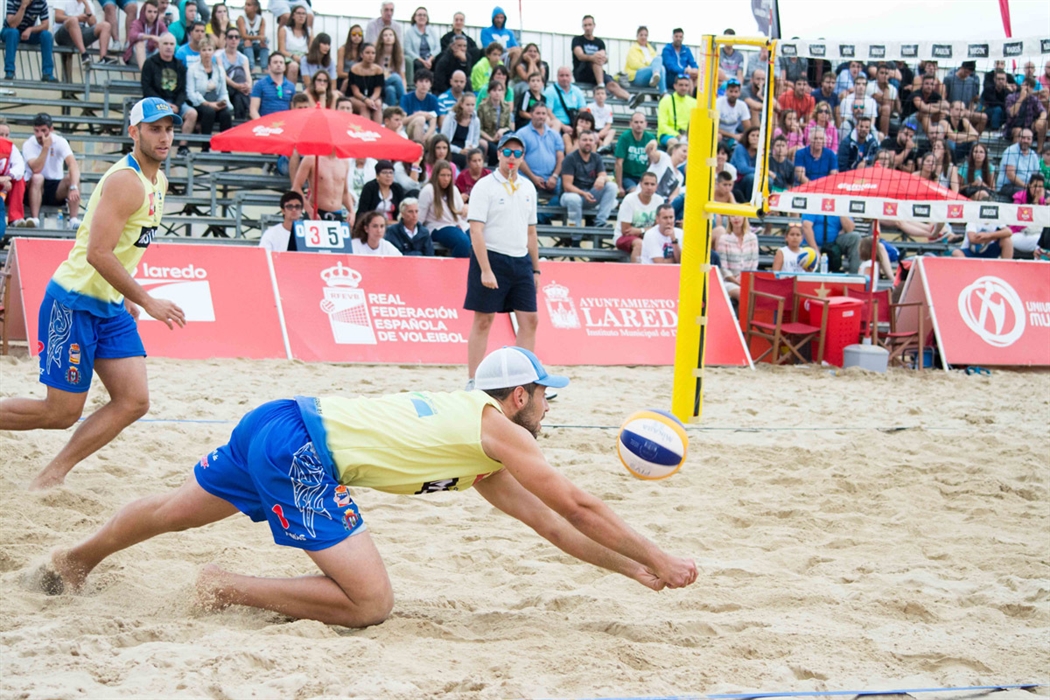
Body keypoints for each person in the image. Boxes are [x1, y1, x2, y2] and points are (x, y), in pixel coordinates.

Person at [44, 344, 698, 626]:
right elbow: (579, 503)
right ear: (518, 395)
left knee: (172, 511)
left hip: (279, 420)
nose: (550, 409)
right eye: (546, 397)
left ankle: (74, 560)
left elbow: (555, 527)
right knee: (368, 603)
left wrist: (634, 570)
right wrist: (661, 556)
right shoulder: (499, 429)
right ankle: (225, 585)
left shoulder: (485, 458)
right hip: (301, 447)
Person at [0, 99, 184, 490]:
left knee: (134, 401)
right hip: (74, 301)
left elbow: (124, 249)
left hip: (110, 304)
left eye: (169, 128)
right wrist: (148, 300)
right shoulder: (125, 181)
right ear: (134, 133)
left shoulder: (159, 182)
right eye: (155, 128)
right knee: (61, 412)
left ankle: (52, 475)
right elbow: (96, 253)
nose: (164, 136)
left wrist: (128, 296)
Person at [464, 135, 542, 386]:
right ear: (498, 154)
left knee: (530, 320)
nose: (512, 157)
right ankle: (473, 380)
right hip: (491, 256)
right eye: (508, 152)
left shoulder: (528, 187)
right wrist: (486, 270)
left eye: (518, 153)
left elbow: (532, 232)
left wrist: (536, 269)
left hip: (520, 260)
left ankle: (523, 380)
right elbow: (476, 230)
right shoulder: (485, 186)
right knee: (484, 320)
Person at [141, 34, 198, 158]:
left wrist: (177, 105)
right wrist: (163, 104)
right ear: (159, 45)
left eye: (171, 44)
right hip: (155, 102)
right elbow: (147, 88)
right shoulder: (150, 63)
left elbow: (183, 90)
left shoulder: (179, 66)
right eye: (165, 44)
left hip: (175, 102)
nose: (169, 47)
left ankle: (182, 147)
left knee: (192, 114)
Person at [20, 114, 81, 229]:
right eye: (36, 131)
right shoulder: (29, 144)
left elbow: (72, 164)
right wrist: (46, 148)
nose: (40, 135)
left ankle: (73, 219)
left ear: (51, 129)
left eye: (43, 131)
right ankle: (35, 219)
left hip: (55, 186)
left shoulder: (60, 142)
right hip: (34, 186)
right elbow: (36, 168)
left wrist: (74, 187)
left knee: (72, 177)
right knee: (38, 177)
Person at [560, 129, 617, 229]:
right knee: (574, 199)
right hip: (570, 196)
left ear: (595, 143)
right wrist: (583, 193)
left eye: (590, 140)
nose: (588, 143)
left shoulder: (596, 158)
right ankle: (575, 236)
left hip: (590, 195)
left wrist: (601, 178)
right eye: (584, 140)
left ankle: (600, 222)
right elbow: (567, 186)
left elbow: (603, 175)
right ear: (578, 142)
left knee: (611, 186)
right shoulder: (570, 158)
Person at [418, 159, 470, 257]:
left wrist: (466, 209)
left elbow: (461, 215)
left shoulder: (454, 190)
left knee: (477, 238)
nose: (446, 179)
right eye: (442, 175)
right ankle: (455, 270)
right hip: (437, 226)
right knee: (462, 242)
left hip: (457, 224)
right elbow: (420, 218)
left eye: (448, 175)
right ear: (436, 175)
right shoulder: (428, 190)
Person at [570, 15, 629, 100]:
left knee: (612, 84)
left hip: (598, 73)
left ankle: (630, 98)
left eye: (589, 25)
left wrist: (603, 59)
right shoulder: (577, 40)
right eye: (585, 25)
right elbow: (580, 56)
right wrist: (594, 58)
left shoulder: (599, 42)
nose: (587, 28)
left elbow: (604, 57)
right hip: (582, 72)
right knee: (596, 59)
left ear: (594, 25)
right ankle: (602, 88)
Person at [293, 149, 356, 224]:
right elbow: (296, 188)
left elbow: (345, 192)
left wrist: (352, 211)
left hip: (337, 214)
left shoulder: (345, 162)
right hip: (317, 213)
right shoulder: (311, 159)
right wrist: (310, 211)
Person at [515, 103, 563, 200]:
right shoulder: (521, 133)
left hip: (551, 178)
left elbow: (561, 157)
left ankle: (544, 215)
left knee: (563, 190)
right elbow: (519, 158)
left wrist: (554, 176)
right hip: (527, 177)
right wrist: (533, 177)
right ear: (531, 114)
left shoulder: (554, 134)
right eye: (538, 113)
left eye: (543, 113)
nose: (541, 116)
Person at [186, 41, 232, 142]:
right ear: (200, 52)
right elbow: (191, 93)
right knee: (209, 112)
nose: (207, 53)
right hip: (199, 103)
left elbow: (223, 92)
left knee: (226, 114)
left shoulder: (219, 70)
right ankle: (205, 146)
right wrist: (208, 104)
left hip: (216, 102)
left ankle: (226, 148)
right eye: (204, 50)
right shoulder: (192, 69)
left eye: (209, 50)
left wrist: (223, 102)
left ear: (213, 52)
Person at [615, 171, 664, 264]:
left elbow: (658, 228)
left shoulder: (659, 200)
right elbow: (626, 231)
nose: (649, 187)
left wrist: (639, 231)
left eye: (652, 184)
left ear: (656, 186)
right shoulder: (629, 200)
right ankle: (636, 275)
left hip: (647, 236)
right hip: (622, 238)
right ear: (640, 184)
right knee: (640, 244)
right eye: (646, 184)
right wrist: (648, 230)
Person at [3, 0, 56, 81]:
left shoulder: (41, 2)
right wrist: (23, 6)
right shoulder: (12, 1)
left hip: (28, 34)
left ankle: (47, 73)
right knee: (13, 32)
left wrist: (30, 29)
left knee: (47, 35)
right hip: (9, 32)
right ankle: (9, 71)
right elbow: (13, 24)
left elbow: (45, 25)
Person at [55, 0, 114, 69]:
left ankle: (103, 58)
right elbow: (57, 17)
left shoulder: (88, 2)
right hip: (63, 34)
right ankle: (84, 54)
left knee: (106, 25)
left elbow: (92, 23)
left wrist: (86, 4)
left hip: (80, 32)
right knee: (73, 20)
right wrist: (77, 18)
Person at [714, 215, 757, 300]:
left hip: (748, 279)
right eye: (732, 216)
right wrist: (737, 281)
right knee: (742, 293)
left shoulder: (752, 238)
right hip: (729, 281)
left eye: (739, 215)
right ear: (729, 219)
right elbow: (723, 268)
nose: (736, 218)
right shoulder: (724, 239)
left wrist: (744, 279)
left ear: (744, 217)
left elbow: (754, 264)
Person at [615, 111, 656, 196]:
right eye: (636, 122)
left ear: (646, 124)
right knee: (635, 193)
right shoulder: (624, 137)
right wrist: (619, 186)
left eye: (641, 122)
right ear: (631, 124)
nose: (639, 125)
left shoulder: (650, 138)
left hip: (643, 176)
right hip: (627, 176)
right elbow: (619, 163)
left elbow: (652, 162)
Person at [440, 92, 481, 170]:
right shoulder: (451, 118)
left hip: (467, 147)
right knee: (464, 159)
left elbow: (476, 140)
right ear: (462, 104)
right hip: (452, 148)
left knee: (478, 153)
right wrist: (459, 151)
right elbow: (444, 140)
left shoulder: (475, 120)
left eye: (472, 105)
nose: (470, 108)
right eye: (467, 105)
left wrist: (471, 148)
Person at [543, 66, 587, 139]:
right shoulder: (550, 91)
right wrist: (563, 127)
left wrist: (579, 127)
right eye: (562, 75)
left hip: (574, 125)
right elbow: (548, 112)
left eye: (567, 75)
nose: (564, 78)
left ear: (571, 76)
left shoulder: (577, 91)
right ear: (557, 77)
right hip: (557, 125)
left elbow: (583, 111)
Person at [1005, 78, 1048, 152]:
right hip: (1012, 128)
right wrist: (1021, 98)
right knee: (1019, 131)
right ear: (1022, 85)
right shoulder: (1011, 97)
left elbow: (1043, 111)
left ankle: (1039, 151)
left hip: (1029, 127)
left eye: (1031, 86)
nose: (1028, 88)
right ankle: (1016, 153)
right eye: (1026, 85)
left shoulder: (1033, 99)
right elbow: (1012, 113)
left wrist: (1041, 119)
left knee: (1044, 123)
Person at [997, 127, 1041, 198]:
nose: (1025, 140)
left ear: (1032, 140)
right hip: (1008, 186)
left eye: (1028, 139)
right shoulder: (1010, 151)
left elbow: (1037, 175)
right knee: (1027, 194)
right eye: (1023, 138)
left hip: (1029, 187)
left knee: (1046, 195)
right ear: (1018, 138)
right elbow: (1011, 175)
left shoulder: (1033, 155)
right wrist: (1027, 187)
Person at [647, 140, 687, 219]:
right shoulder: (663, 157)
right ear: (675, 150)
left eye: (688, 153)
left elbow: (673, 197)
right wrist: (653, 142)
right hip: (649, 196)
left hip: (662, 204)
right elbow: (650, 151)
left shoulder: (680, 176)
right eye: (684, 151)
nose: (686, 154)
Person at [399, 68, 440, 143]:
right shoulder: (406, 98)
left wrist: (425, 137)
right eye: (421, 81)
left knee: (435, 139)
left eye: (427, 81)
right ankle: (419, 148)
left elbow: (433, 123)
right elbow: (403, 121)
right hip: (410, 128)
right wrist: (418, 114)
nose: (424, 84)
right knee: (420, 119)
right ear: (415, 83)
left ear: (430, 84)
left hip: (427, 131)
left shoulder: (433, 99)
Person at [218, 27, 251, 119]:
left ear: (239, 40)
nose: (233, 39)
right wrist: (238, 86)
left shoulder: (243, 58)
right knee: (239, 74)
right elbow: (223, 76)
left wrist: (248, 86)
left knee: (239, 96)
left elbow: (248, 75)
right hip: (225, 87)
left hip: (238, 90)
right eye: (230, 37)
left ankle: (239, 120)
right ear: (226, 39)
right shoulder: (219, 56)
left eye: (236, 37)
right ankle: (241, 121)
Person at [1008, 173, 1046, 255]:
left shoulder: (1042, 200)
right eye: (1035, 186)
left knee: (1043, 239)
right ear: (1029, 185)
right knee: (1040, 241)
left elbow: (1041, 221)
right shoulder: (1019, 198)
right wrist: (1035, 201)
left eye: (1040, 186)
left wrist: (1039, 202)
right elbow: (1020, 223)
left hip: (1035, 233)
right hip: (1018, 233)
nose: (1038, 189)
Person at [250, 52, 294, 120]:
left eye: (281, 62)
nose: (278, 64)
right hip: (266, 124)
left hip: (285, 123)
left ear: (285, 67)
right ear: (269, 66)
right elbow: (253, 110)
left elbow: (293, 110)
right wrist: (261, 124)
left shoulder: (291, 86)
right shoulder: (259, 84)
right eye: (275, 62)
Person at [347, 43, 385, 122]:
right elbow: (355, 92)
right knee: (363, 106)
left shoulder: (378, 70)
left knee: (377, 104)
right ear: (361, 54)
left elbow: (377, 91)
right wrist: (365, 100)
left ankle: (378, 130)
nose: (370, 56)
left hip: (373, 96)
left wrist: (371, 99)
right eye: (367, 53)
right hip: (356, 97)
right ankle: (367, 130)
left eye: (373, 53)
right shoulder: (355, 69)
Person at [477, 80, 512, 164]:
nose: (497, 93)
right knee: (495, 151)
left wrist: (502, 130)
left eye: (500, 90)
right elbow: (479, 129)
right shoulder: (482, 107)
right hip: (487, 137)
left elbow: (508, 126)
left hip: (501, 136)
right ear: (489, 92)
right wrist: (491, 139)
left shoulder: (506, 106)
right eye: (494, 90)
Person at [657, 75, 696, 149]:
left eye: (686, 85)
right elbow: (662, 125)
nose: (684, 88)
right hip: (668, 134)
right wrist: (677, 135)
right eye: (681, 85)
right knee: (674, 142)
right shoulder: (666, 101)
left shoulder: (694, 102)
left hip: (687, 135)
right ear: (675, 86)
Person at [125, 0, 165, 68]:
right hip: (135, 56)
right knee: (140, 43)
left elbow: (167, 35)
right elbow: (132, 36)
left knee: (166, 44)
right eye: (149, 11)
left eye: (155, 12)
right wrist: (151, 37)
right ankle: (144, 73)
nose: (152, 15)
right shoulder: (137, 23)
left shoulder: (160, 24)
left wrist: (160, 42)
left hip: (151, 54)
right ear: (144, 12)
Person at [625, 25, 664, 93]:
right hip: (636, 77)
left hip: (649, 77)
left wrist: (652, 66)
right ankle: (663, 92)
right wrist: (651, 67)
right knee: (658, 68)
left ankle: (662, 91)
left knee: (660, 62)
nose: (643, 37)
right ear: (637, 36)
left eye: (645, 35)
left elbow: (656, 62)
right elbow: (634, 65)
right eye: (641, 35)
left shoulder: (651, 50)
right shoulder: (633, 49)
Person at [277, 4, 310, 84]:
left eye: (303, 14)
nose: (301, 16)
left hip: (304, 58)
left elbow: (311, 50)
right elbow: (281, 50)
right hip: (289, 57)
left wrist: (304, 58)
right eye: (298, 13)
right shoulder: (284, 30)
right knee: (294, 66)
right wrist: (293, 56)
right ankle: (290, 93)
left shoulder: (309, 31)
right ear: (293, 16)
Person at [404, 6, 439, 78]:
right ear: (415, 17)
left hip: (430, 58)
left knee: (440, 62)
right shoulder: (409, 32)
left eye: (424, 15)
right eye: (419, 15)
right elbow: (407, 49)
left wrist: (429, 59)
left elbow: (438, 48)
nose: (422, 17)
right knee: (418, 64)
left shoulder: (432, 31)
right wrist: (423, 61)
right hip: (417, 59)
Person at [868, 63, 900, 139]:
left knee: (900, 131)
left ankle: (885, 137)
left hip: (885, 118)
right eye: (882, 73)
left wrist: (896, 97)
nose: (884, 75)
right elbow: (885, 102)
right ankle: (884, 137)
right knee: (886, 108)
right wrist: (886, 88)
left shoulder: (892, 88)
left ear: (889, 76)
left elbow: (894, 108)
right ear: (876, 75)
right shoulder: (870, 86)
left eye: (886, 73)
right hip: (870, 116)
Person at [376, 26, 406, 107]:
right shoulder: (376, 55)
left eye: (391, 35)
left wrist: (405, 91)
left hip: (392, 85)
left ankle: (390, 113)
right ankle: (405, 104)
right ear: (381, 39)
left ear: (395, 38)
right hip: (378, 84)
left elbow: (402, 77)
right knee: (396, 77)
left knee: (391, 89)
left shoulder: (399, 56)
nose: (388, 37)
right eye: (385, 35)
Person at [716, 78, 751, 145]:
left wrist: (743, 136)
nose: (733, 94)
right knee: (718, 137)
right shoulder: (719, 102)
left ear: (739, 93)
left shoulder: (742, 105)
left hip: (733, 136)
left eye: (736, 92)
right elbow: (715, 128)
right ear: (726, 91)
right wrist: (733, 136)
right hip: (719, 134)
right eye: (731, 91)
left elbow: (748, 128)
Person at [235, 0, 267, 70]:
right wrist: (258, 37)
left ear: (255, 8)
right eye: (245, 5)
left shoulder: (261, 19)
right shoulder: (241, 18)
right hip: (241, 45)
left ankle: (265, 68)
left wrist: (261, 39)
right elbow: (244, 36)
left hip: (255, 45)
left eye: (248, 5)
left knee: (263, 44)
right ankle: (252, 68)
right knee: (247, 42)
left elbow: (262, 36)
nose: (245, 7)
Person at [730, 126, 760, 202]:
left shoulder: (762, 150)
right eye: (753, 135)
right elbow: (743, 169)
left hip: (753, 177)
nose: (755, 138)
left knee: (768, 180)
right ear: (747, 137)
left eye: (758, 136)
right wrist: (760, 170)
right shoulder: (740, 148)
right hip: (737, 181)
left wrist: (760, 152)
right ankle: (749, 203)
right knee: (752, 178)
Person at [586, 84, 615, 151]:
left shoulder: (608, 108)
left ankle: (604, 147)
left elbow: (608, 124)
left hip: (602, 130)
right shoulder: (590, 107)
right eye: (598, 94)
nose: (600, 96)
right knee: (596, 142)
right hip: (592, 129)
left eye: (602, 93)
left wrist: (599, 134)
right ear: (594, 96)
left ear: (606, 96)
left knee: (612, 131)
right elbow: (588, 121)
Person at [741, 68, 767, 133]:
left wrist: (761, 96)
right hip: (744, 122)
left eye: (763, 79)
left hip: (762, 121)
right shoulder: (744, 91)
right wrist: (768, 105)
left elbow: (777, 106)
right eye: (758, 79)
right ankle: (757, 137)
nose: (760, 82)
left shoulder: (765, 91)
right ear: (751, 80)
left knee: (774, 112)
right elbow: (755, 106)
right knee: (755, 111)